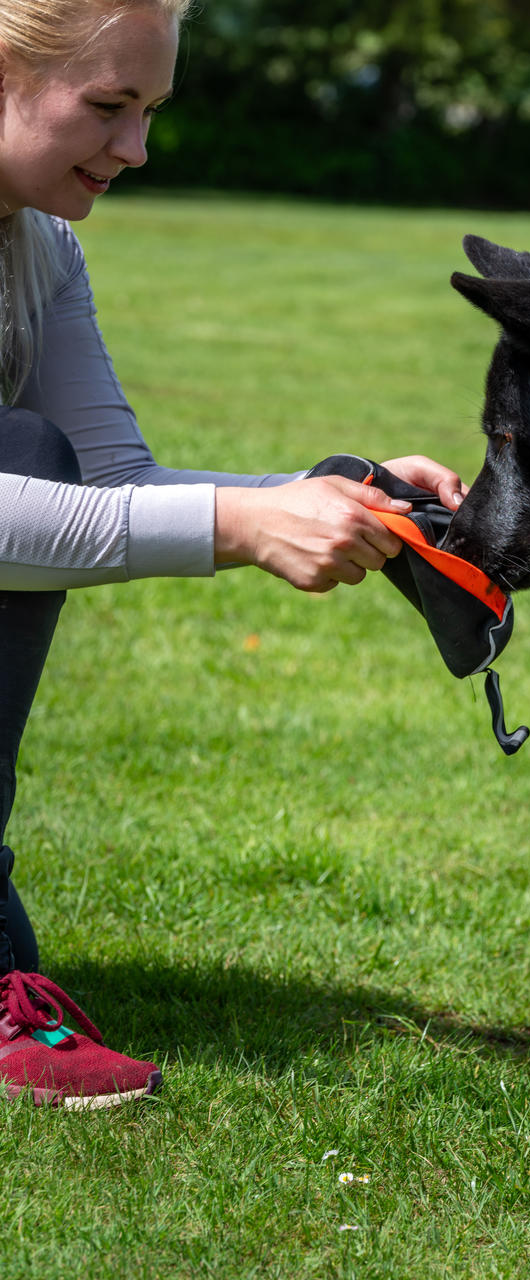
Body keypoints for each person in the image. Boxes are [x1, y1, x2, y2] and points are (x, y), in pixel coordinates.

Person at [0, 0, 465, 1107]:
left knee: (35, 449)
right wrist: (245, 527)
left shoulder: (41, 249)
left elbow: (112, 488)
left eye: (150, 111)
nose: (136, 149)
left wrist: (340, 493)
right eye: (108, 107)